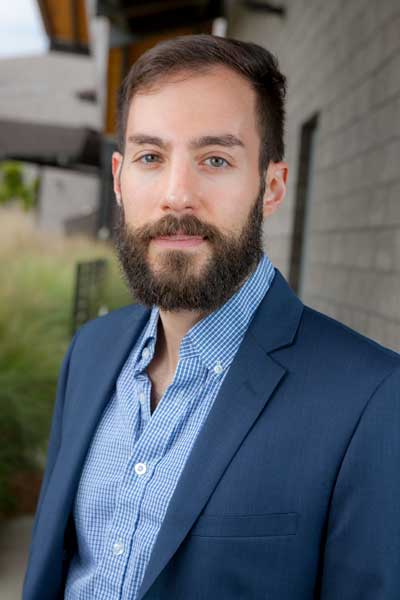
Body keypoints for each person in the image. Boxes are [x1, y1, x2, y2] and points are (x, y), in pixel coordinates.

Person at [23, 34, 400, 600]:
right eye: (152, 157)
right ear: (121, 179)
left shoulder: (372, 400)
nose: (178, 195)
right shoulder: (91, 352)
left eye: (215, 160)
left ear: (270, 187)